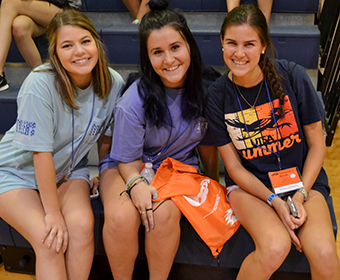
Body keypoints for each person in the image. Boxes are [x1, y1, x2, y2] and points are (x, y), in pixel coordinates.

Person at [205, 4, 340, 280]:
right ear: (221, 43)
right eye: (231, 43)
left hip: (302, 181)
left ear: (264, 45)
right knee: (275, 246)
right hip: (252, 188)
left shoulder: (292, 76)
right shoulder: (217, 96)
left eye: (249, 44)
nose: (239, 53)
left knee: (325, 255)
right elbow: (234, 168)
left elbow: (317, 146)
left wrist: (300, 195)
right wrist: (275, 202)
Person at [0, 9, 124, 280]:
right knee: (50, 241)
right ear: (55, 54)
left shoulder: (113, 82)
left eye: (85, 41)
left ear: (97, 43)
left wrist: (103, 174)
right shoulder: (39, 84)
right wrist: (53, 213)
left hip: (67, 170)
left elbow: (106, 139)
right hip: (13, 172)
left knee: (80, 227)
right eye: (67, 46)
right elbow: (40, 153)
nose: (79, 51)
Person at [99, 0, 218, 279]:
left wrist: (213, 182)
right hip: (128, 167)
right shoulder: (133, 101)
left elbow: (207, 146)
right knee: (121, 216)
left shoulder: (209, 90)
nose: (168, 60)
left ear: (189, 45)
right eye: (157, 52)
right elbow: (126, 162)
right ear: (147, 58)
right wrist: (136, 183)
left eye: (175, 47)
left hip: (177, 168)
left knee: (162, 216)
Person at [0, 0, 82, 92]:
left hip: (64, 9)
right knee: (20, 26)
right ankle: (41, 78)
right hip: (37, 10)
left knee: (9, 2)